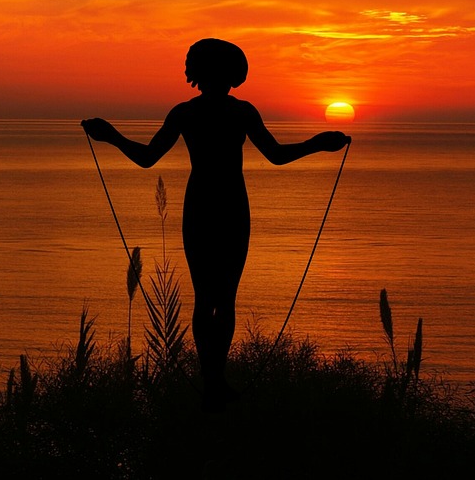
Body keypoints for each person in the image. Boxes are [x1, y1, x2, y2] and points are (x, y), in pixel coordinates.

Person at [82, 38, 350, 409]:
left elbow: (146, 158)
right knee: (221, 298)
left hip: (205, 206)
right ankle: (214, 380)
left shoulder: (188, 112)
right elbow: (276, 155)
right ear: (226, 73)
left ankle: (213, 380)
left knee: (209, 297)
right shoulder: (238, 112)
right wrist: (316, 144)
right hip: (228, 206)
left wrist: (112, 136)